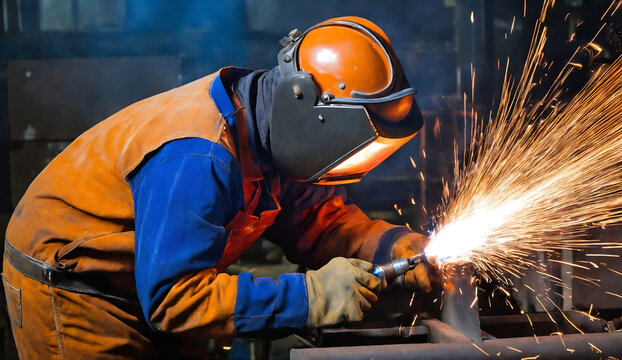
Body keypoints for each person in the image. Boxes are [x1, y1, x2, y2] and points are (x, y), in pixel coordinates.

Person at [2, 16, 433, 359]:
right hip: (78, 287)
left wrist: (392, 246)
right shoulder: (198, 156)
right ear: (310, 111)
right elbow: (175, 300)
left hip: (150, 286)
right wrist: (310, 296)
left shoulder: (276, 134)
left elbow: (318, 221)